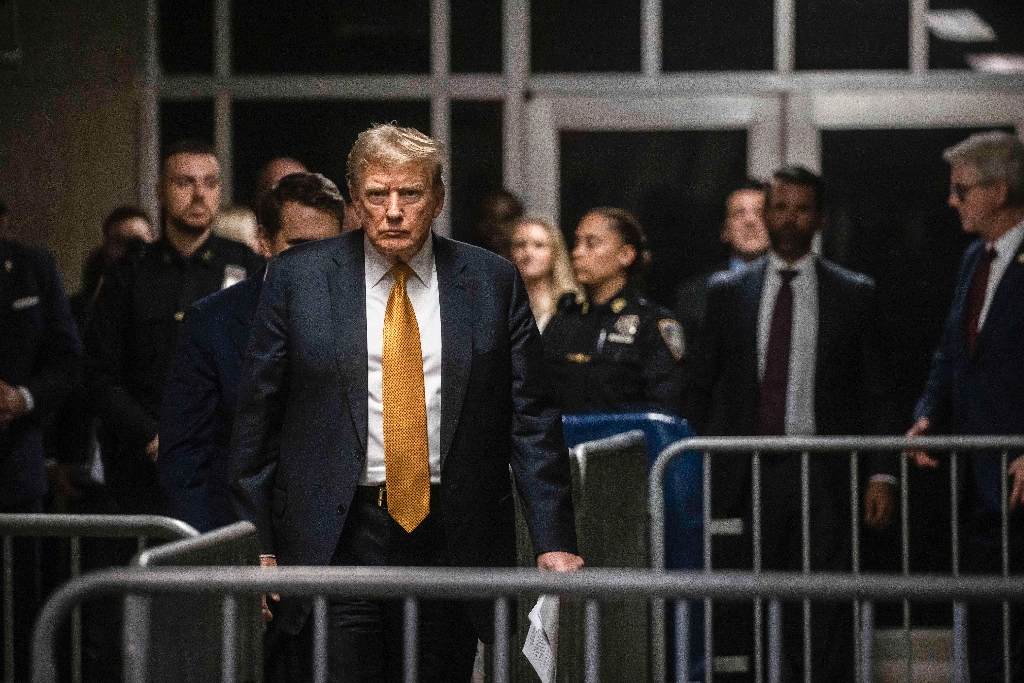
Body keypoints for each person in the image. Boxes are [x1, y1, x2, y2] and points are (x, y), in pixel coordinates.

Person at [230, 123, 582, 682]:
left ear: (437, 199)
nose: (393, 211)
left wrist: (553, 539)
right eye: (377, 194)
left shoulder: (492, 282)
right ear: (354, 202)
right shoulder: (300, 279)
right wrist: (258, 542)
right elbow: (258, 418)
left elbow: (531, 417)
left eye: (410, 194)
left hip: (454, 531)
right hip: (337, 533)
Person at [684, 166, 896, 682]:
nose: (788, 218)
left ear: (819, 218)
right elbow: (699, 383)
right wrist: (687, 461)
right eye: (779, 206)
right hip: (751, 471)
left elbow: (876, 392)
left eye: (801, 208)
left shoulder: (853, 292)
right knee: (759, 604)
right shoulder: (728, 291)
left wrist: (882, 472)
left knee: (827, 605)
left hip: (825, 471)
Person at [159, 172, 346, 533]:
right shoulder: (212, 322)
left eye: (328, 248)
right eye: (298, 245)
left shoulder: (366, 315)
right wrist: (230, 550)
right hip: (237, 536)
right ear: (263, 240)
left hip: (336, 546)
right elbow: (184, 458)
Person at [86, 140, 264, 516]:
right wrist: (152, 437)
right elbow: (100, 374)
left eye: (211, 183)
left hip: (223, 466)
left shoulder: (248, 267)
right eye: (185, 183)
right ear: (161, 192)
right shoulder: (128, 274)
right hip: (140, 468)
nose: (200, 195)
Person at [906, 131, 1024, 682]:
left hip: (1020, 472)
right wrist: (929, 413)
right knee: (986, 623)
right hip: (980, 476)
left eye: (962, 190)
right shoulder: (974, 257)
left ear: (998, 192)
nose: (952, 201)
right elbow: (953, 350)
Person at [0, 201, 83, 681]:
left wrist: (21, 398)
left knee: (19, 620)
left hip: (15, 479)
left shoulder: (33, 268)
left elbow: (69, 364)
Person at [542, 207, 684, 415]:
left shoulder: (651, 324)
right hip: (567, 444)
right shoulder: (563, 321)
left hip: (626, 443)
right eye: (577, 243)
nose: (577, 252)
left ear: (625, 255)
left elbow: (663, 409)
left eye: (591, 244)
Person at [674, 179, 769, 347]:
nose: (750, 221)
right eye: (739, 213)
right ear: (725, 231)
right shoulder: (694, 293)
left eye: (760, 213)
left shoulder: (797, 285)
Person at [508, 216, 579, 332]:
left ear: (555, 254)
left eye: (539, 245)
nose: (528, 253)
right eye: (520, 245)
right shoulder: (498, 302)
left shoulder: (568, 305)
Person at [471, 188, 524, 258]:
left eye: (507, 218)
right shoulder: (470, 262)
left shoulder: (528, 263)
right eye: (490, 219)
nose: (498, 226)